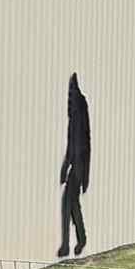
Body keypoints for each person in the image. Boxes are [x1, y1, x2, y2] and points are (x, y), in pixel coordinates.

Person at [58, 73, 91, 258]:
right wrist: (65, 167)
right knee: (72, 204)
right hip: (76, 165)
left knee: (68, 203)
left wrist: (83, 173)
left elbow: (82, 143)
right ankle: (79, 238)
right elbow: (72, 144)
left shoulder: (79, 110)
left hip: (79, 165)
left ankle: (69, 243)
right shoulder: (75, 113)